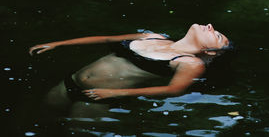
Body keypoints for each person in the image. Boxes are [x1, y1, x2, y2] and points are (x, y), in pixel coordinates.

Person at [29, 23, 233, 116]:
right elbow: (106, 38)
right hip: (68, 83)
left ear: (211, 52)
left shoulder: (190, 63)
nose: (210, 26)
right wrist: (59, 44)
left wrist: (114, 93)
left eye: (216, 35)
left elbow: (174, 90)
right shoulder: (151, 37)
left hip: (98, 99)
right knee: (38, 117)